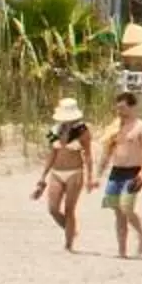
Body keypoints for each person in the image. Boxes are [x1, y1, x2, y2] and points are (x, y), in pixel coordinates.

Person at [100, 89, 142, 260]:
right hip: (116, 171)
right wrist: (98, 173)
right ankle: (122, 250)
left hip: (133, 172)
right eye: (118, 108)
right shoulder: (114, 127)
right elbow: (107, 152)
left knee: (126, 207)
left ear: (132, 107)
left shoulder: (141, 127)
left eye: (123, 108)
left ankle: (141, 236)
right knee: (117, 212)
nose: (120, 112)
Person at [35, 97, 94, 254]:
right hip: (57, 172)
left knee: (69, 209)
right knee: (53, 208)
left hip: (75, 171)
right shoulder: (54, 130)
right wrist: (43, 176)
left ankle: (68, 244)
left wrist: (89, 177)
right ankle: (70, 230)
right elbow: (52, 153)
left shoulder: (82, 131)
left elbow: (88, 155)